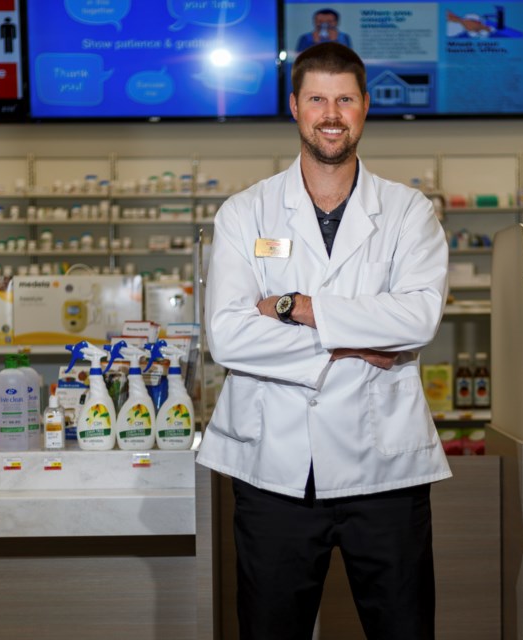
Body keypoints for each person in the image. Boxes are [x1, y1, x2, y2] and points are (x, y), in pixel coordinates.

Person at [197, 42, 452, 640]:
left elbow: (417, 320)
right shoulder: (246, 212)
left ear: (365, 107)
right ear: (294, 107)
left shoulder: (408, 211)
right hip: (274, 469)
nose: (330, 113)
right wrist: (359, 341)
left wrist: (299, 309)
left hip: (383, 469)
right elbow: (229, 336)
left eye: (344, 99)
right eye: (317, 99)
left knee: (404, 630)